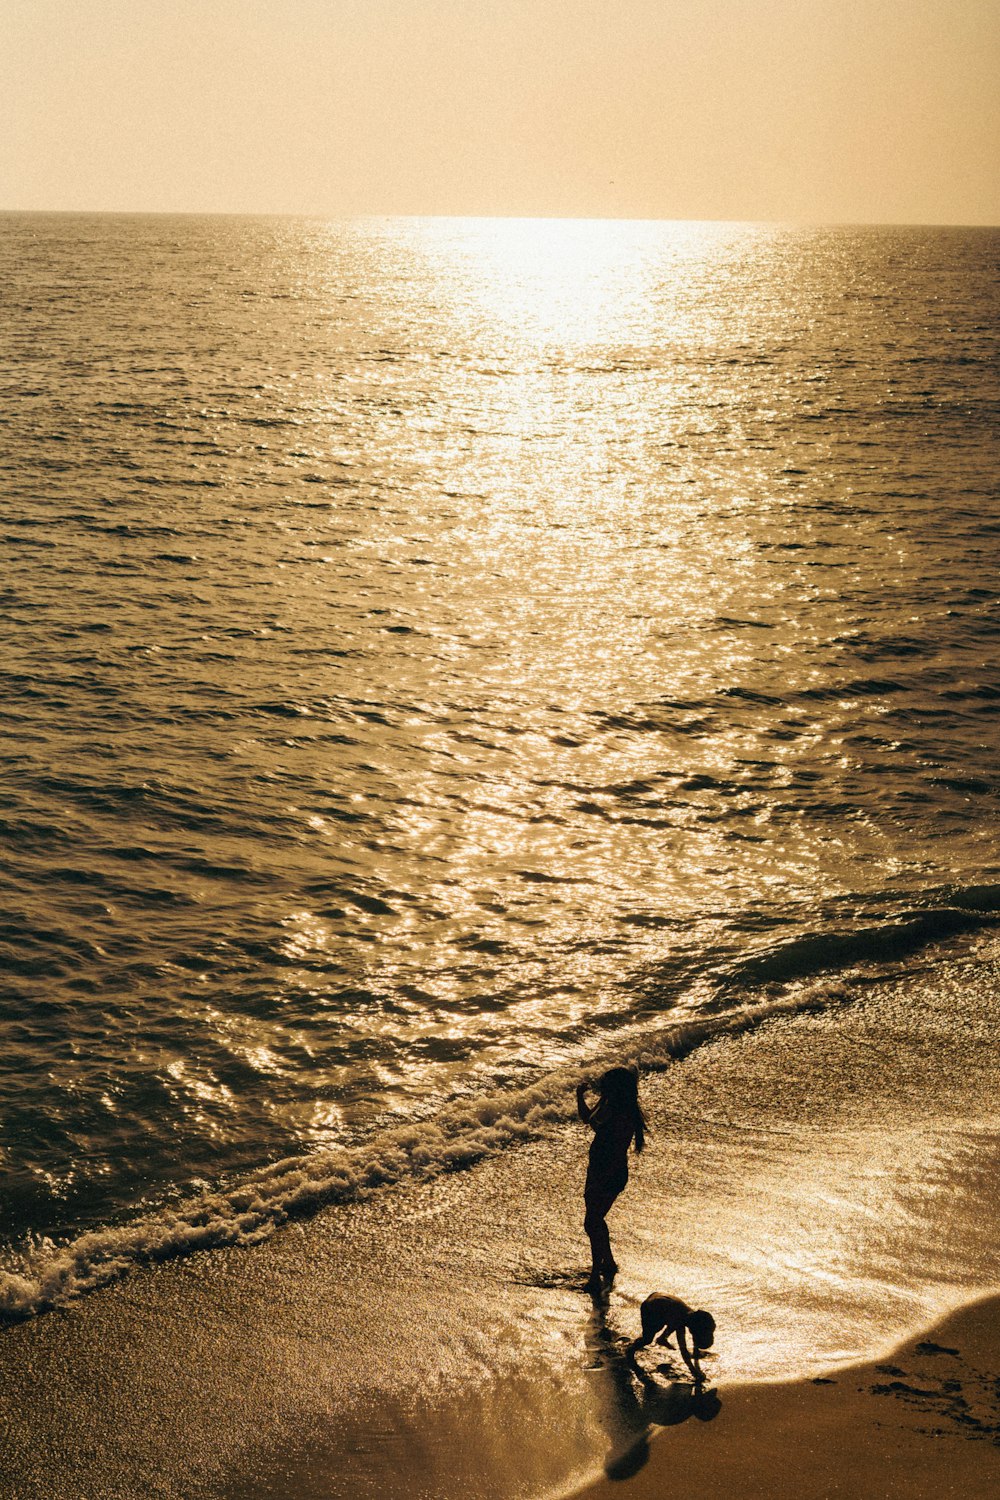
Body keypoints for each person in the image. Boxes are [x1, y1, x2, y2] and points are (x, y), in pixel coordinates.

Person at [576, 1065, 646, 1285]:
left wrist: (602, 1177)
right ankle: (608, 1263)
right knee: (595, 1220)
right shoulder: (610, 1104)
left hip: (609, 1172)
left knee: (592, 1221)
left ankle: (596, 1274)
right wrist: (580, 1097)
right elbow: (588, 1120)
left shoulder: (623, 1114)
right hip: (598, 1169)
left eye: (607, 1084)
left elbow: (614, 1150)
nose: (603, 1087)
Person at [626, 1293, 716, 1383]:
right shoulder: (680, 1321)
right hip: (650, 1308)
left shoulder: (694, 1316)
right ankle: (630, 1350)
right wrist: (694, 1372)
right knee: (647, 1339)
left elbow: (695, 1337)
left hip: (662, 1301)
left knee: (672, 1321)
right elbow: (683, 1350)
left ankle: (662, 1338)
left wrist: (696, 1358)